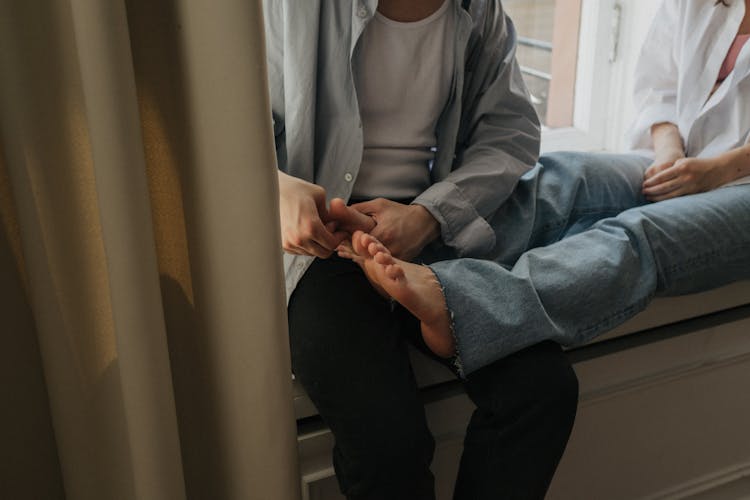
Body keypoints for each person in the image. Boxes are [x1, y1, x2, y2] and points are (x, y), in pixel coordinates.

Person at [264, 1, 578, 499]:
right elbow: (226, 120)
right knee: (389, 447)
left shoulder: (479, 10)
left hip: (428, 234)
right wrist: (277, 187)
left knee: (542, 392)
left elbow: (509, 133)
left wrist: (428, 217)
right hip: (320, 250)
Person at [338, 0, 750, 377]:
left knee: (642, 233)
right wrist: (669, 149)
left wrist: (719, 169)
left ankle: (457, 303)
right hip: (688, 157)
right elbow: (659, 86)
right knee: (563, 177)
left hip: (740, 182)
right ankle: (415, 253)